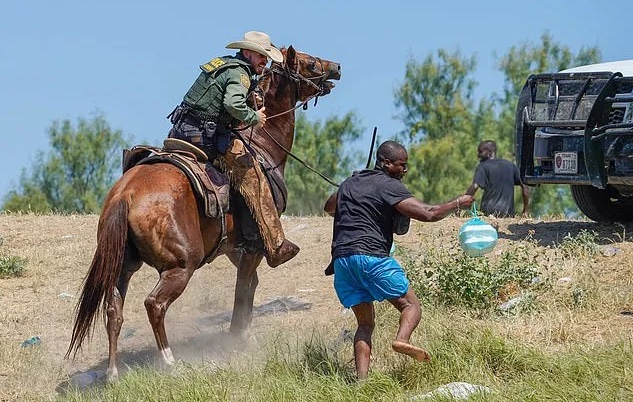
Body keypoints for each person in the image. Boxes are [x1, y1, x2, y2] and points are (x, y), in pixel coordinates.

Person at [323, 140, 474, 380]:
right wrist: (458, 203)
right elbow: (429, 213)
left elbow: (330, 207)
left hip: (342, 262)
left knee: (365, 324)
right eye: (401, 165)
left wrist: (351, 188)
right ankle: (402, 340)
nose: (405, 170)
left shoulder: (351, 183)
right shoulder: (389, 186)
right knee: (411, 306)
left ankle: (362, 382)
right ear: (386, 163)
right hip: (372, 257)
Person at [166, 31, 298, 268]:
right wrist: (254, 117)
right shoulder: (241, 73)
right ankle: (276, 245)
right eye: (261, 56)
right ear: (247, 52)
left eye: (266, 57)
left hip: (181, 131)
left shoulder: (224, 65)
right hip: (206, 138)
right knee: (254, 175)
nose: (264, 61)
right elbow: (232, 103)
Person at [466, 140, 529, 217]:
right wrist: (525, 210)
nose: (478, 155)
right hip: (508, 214)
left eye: (480, 152)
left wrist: (463, 201)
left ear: (490, 152)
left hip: (488, 213)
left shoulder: (483, 166)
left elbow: (475, 186)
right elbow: (525, 185)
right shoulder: (510, 165)